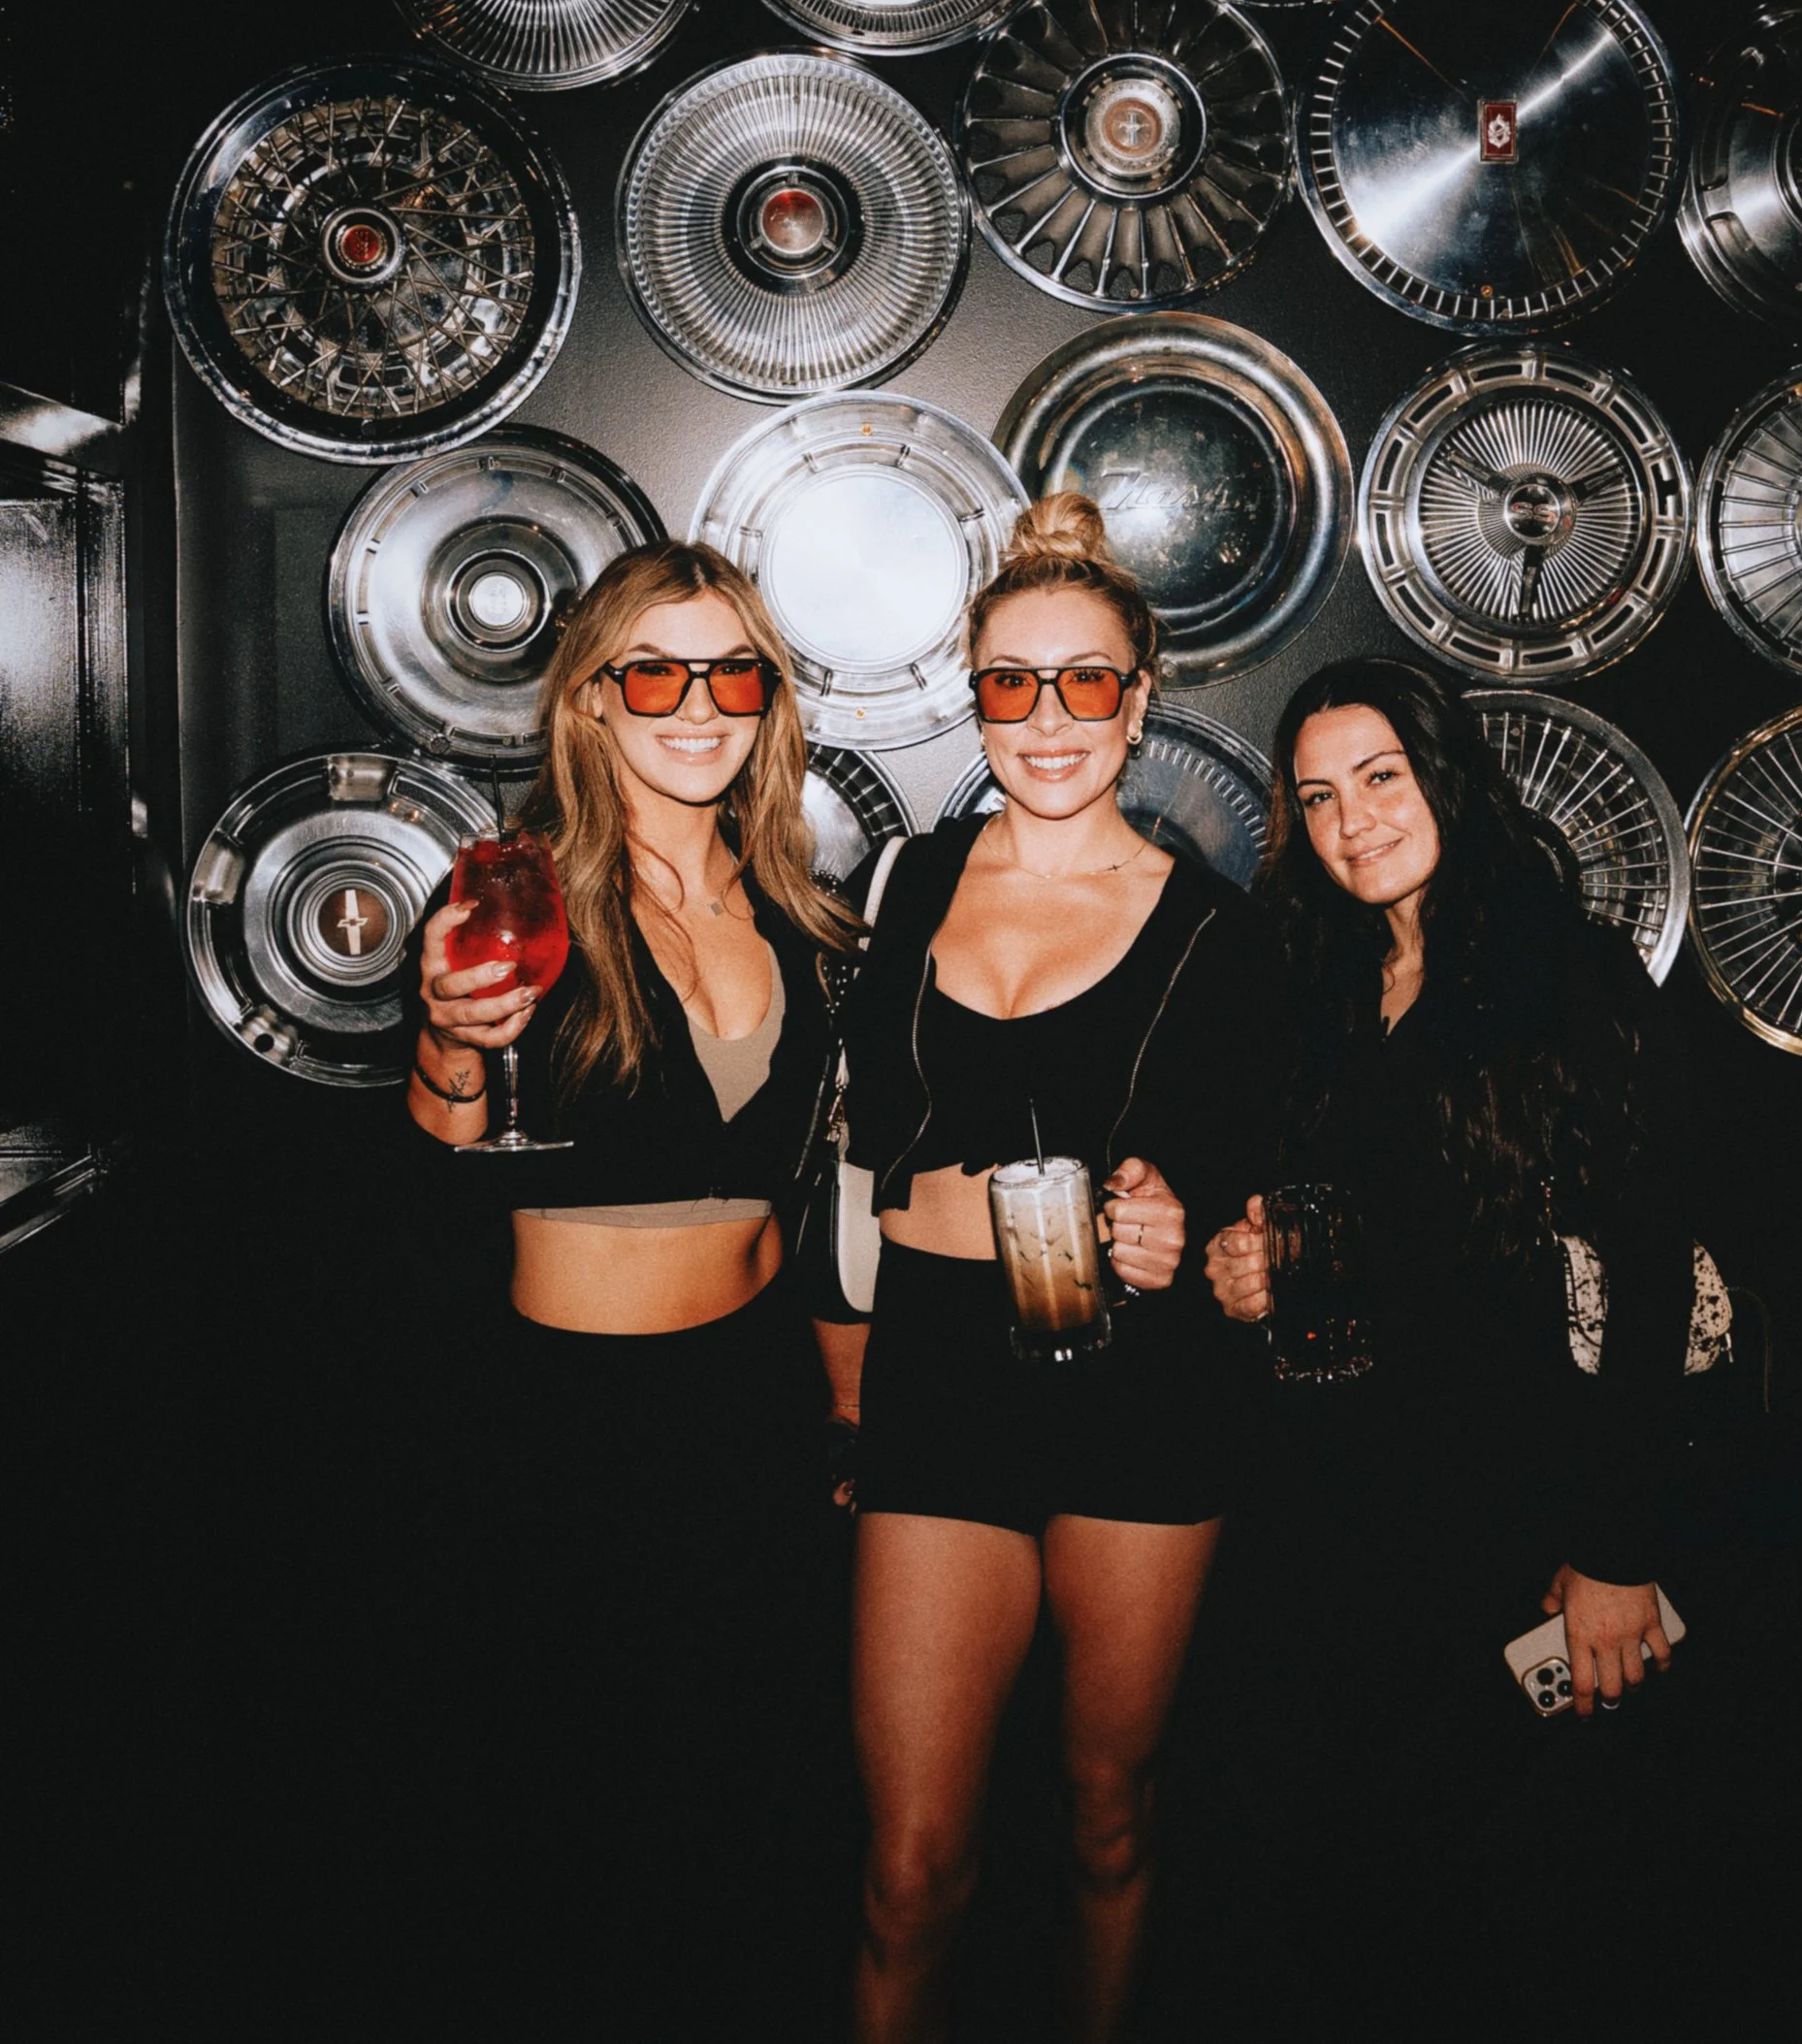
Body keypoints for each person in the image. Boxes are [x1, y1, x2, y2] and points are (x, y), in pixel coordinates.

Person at [824, 493, 1277, 2044]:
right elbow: (855, 1164)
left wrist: (1195, 1222)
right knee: (907, 1866)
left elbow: (1246, 1188)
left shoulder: (1220, 933)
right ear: (976, 696)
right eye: (1013, 683)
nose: (1050, 718)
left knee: (1105, 1810)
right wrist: (842, 1391)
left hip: (1143, 1388)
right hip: (941, 1369)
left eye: (1088, 681)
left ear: (1139, 702)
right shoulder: (909, 892)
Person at [1202, 654, 1698, 2027]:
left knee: (1480, 1897)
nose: (1352, 820)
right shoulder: (1315, 980)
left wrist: (1616, 1551)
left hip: (1506, 1516)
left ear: (1447, 779)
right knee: (1320, 1885)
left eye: (1380, 778)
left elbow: (1651, 1281)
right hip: (1326, 1515)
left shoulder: (1565, 975)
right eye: (1316, 798)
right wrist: (1244, 1274)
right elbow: (1298, 1227)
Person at [401, 539, 858, 2016]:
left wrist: (842, 1409)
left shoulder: (798, 905)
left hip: (756, 1411)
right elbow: (439, 1140)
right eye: (653, 668)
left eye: (732, 670)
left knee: (750, 1812)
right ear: (592, 700)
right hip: (573, 1425)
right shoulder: (524, 886)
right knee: (575, 1826)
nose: (696, 703)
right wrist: (453, 1045)